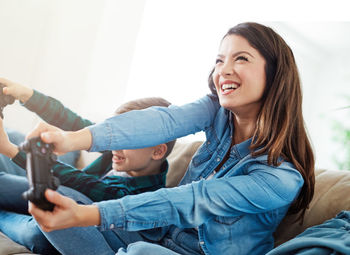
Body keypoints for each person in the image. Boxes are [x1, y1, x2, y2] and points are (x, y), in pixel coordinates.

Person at [27, 22, 315, 255]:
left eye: (241, 58)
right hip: (159, 237)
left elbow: (194, 200)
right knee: (57, 199)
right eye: (219, 60)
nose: (223, 70)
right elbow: (162, 121)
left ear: (275, 73)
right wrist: (72, 140)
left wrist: (86, 216)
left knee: (139, 251)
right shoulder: (216, 110)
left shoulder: (281, 178)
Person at [0, 80, 175, 254]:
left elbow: (76, 180)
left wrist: (12, 150)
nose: (115, 145)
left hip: (66, 207)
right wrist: (26, 94)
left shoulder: (140, 197)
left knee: (36, 236)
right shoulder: (119, 147)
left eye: (127, 139)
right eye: (115, 134)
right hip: (61, 194)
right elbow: (72, 121)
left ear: (157, 152)